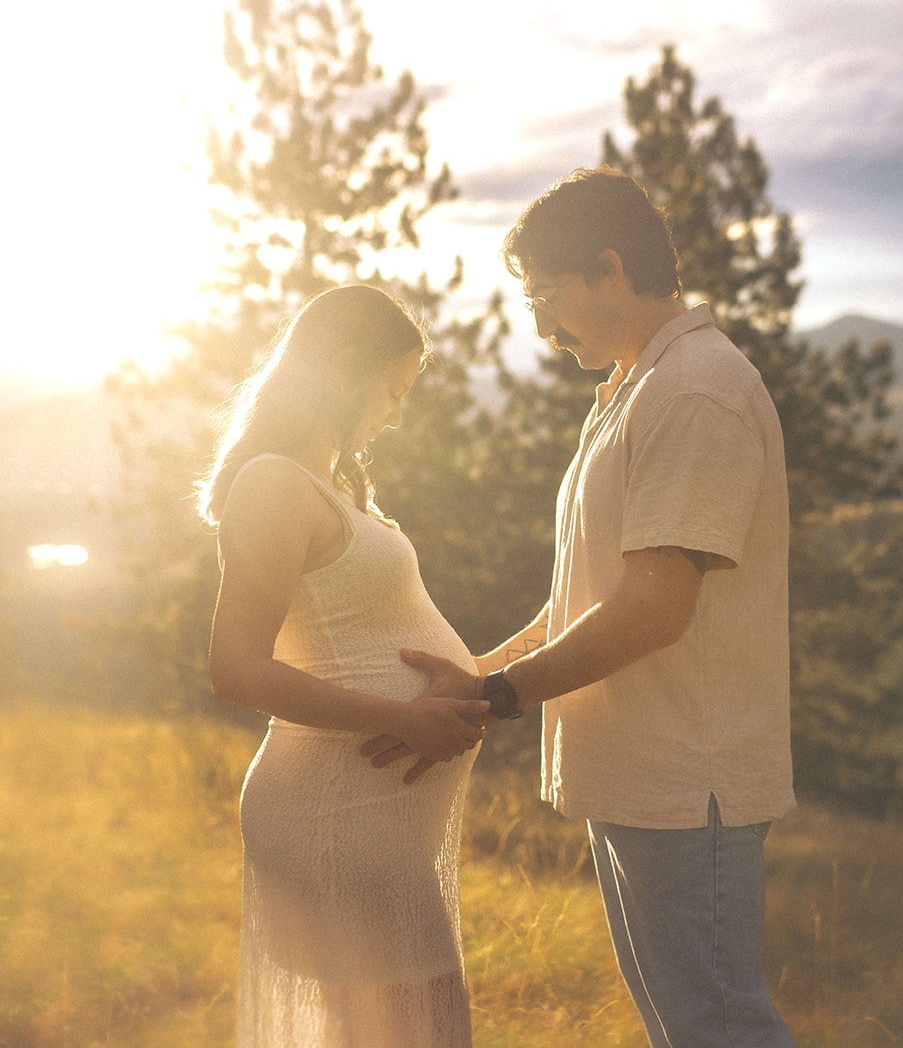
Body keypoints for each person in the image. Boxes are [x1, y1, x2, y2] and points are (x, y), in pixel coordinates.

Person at [366, 168, 798, 1046]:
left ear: (608, 268)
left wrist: (500, 696)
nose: (541, 326)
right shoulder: (638, 389)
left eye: (545, 296)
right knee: (689, 1029)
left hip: (688, 784)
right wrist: (478, 674)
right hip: (642, 779)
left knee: (718, 1029)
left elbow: (651, 607)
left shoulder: (695, 391)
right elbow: (588, 597)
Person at [200, 284, 491, 1048]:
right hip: (333, 810)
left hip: (367, 814)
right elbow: (234, 667)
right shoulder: (272, 483)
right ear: (344, 371)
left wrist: (484, 679)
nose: (395, 414)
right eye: (391, 390)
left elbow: (374, 636)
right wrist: (404, 716)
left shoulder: (331, 489)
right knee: (427, 1032)